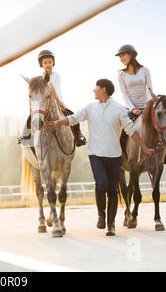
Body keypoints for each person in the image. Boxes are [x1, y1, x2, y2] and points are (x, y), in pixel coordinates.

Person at [46, 79, 154, 236]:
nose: (93, 90)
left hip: (114, 155)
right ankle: (101, 215)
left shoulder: (118, 109)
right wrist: (56, 122)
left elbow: (131, 130)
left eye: (96, 87)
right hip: (95, 154)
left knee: (112, 191)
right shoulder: (90, 107)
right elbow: (73, 119)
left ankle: (111, 225)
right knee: (101, 184)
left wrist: (144, 148)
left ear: (103, 89)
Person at [116, 44, 166, 165]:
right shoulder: (121, 75)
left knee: (162, 123)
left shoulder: (145, 70)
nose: (121, 58)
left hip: (147, 106)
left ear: (131, 55)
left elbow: (150, 89)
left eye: (123, 55)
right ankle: (122, 155)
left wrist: (150, 105)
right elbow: (124, 93)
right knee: (123, 129)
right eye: (120, 56)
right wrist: (132, 108)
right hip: (130, 108)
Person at [18, 50, 87, 146]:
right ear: (41, 65)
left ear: (53, 63)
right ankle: (25, 134)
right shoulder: (40, 78)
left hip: (57, 101)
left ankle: (78, 134)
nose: (48, 65)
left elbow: (57, 90)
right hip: (44, 102)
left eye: (50, 62)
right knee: (32, 115)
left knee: (70, 113)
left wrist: (59, 102)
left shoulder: (56, 76)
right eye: (45, 63)